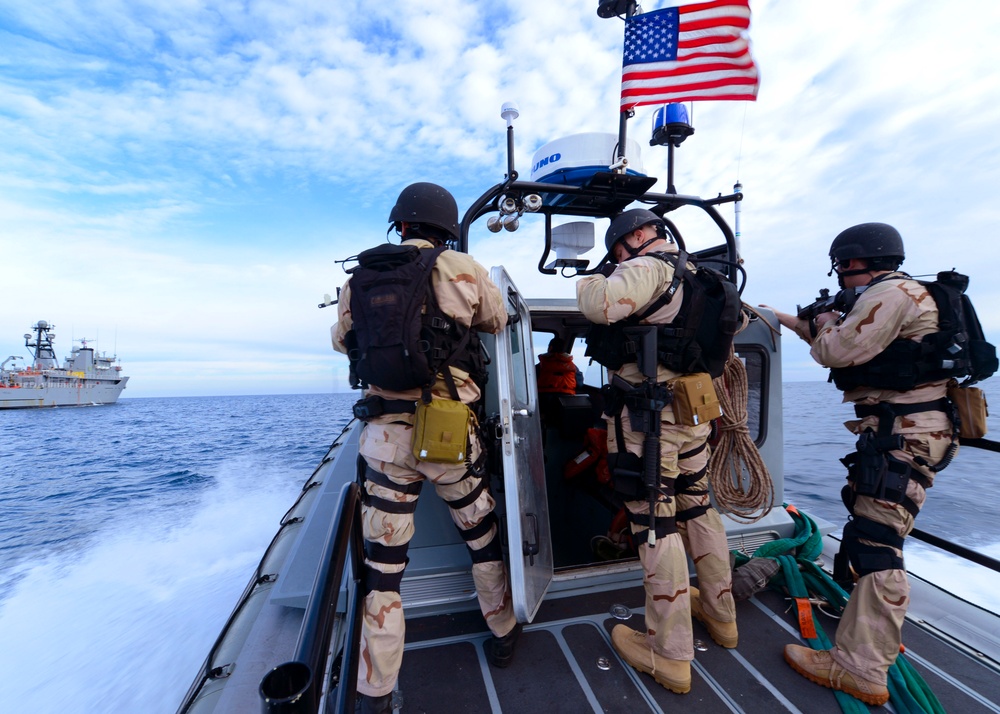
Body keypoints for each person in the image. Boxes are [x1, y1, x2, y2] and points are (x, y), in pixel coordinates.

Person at [332, 182, 520, 714]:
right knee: (481, 537)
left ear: (402, 224)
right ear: (446, 226)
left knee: (383, 567)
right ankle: (503, 630)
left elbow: (341, 338)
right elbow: (499, 321)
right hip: (449, 436)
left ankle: (376, 688)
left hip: (384, 441)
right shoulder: (462, 268)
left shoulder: (360, 279)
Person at [765, 222, 957, 706]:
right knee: (873, 534)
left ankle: (860, 667)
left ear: (852, 262)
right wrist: (781, 317)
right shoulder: (902, 294)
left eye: (843, 266)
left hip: (904, 435)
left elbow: (835, 348)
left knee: (878, 547)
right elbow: (832, 331)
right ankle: (863, 648)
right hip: (909, 431)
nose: (843, 274)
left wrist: (828, 323)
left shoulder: (890, 294)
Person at [576, 208, 737, 695]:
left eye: (618, 250)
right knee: (697, 505)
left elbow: (598, 306)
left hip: (650, 417)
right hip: (692, 412)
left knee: (656, 523)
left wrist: (592, 275)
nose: (618, 259)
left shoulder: (647, 268)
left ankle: (668, 655)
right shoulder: (703, 275)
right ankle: (721, 613)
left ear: (636, 237)